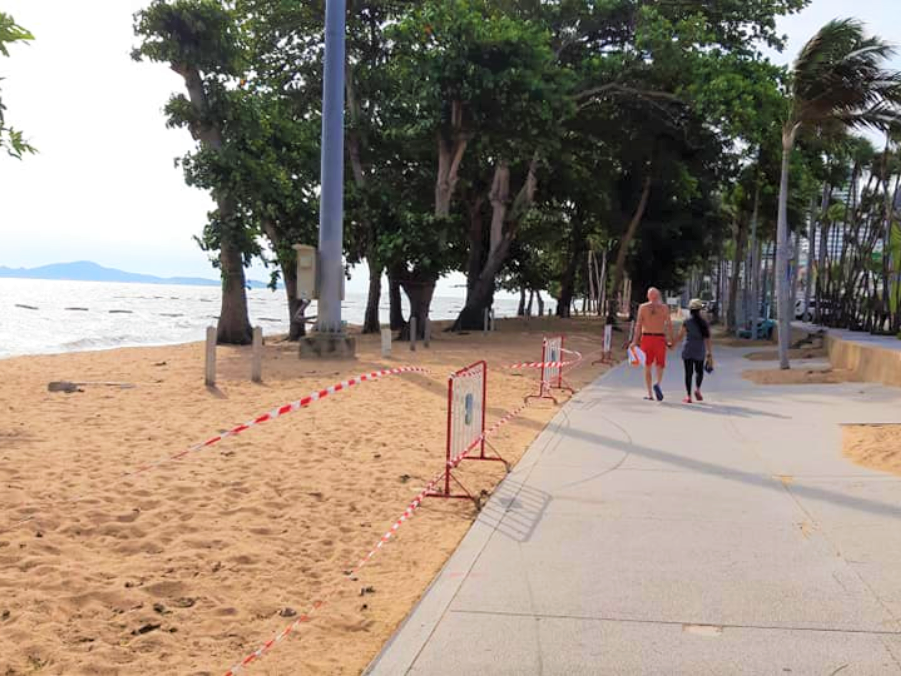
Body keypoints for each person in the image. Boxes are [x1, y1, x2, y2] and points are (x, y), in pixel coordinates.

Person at [631, 287, 674, 401]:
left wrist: (635, 341)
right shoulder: (664, 308)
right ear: (658, 296)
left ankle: (650, 394)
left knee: (647, 366)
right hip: (659, 338)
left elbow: (638, 325)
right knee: (660, 364)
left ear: (648, 296)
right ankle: (657, 384)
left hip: (646, 338)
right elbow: (669, 325)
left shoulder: (643, 307)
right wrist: (671, 341)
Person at [677, 298, 713, 403]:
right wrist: (709, 353)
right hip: (699, 350)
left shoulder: (686, 322)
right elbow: (707, 339)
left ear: (690, 310)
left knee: (688, 373)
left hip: (688, 349)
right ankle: (697, 389)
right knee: (699, 371)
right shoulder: (704, 323)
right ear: (699, 310)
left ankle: (688, 396)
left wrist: (672, 344)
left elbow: (680, 336)